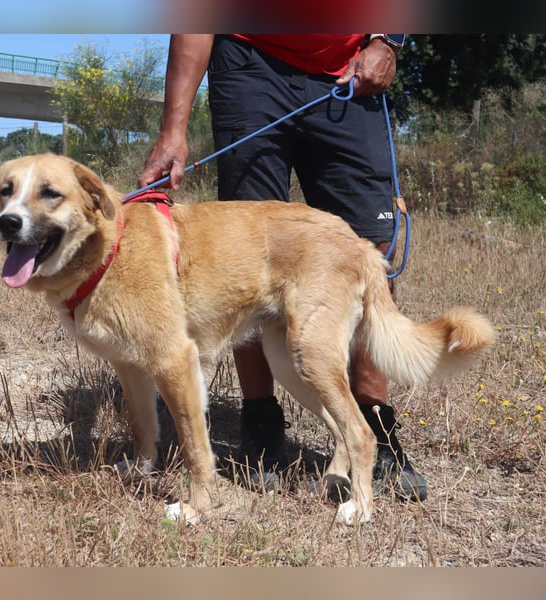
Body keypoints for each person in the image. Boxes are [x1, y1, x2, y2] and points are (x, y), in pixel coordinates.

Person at [138, 34, 427, 502]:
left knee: (369, 247)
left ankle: (374, 426)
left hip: (348, 69)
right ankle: (261, 424)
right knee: (244, 255)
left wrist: (387, 41)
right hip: (250, 64)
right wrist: (174, 128)